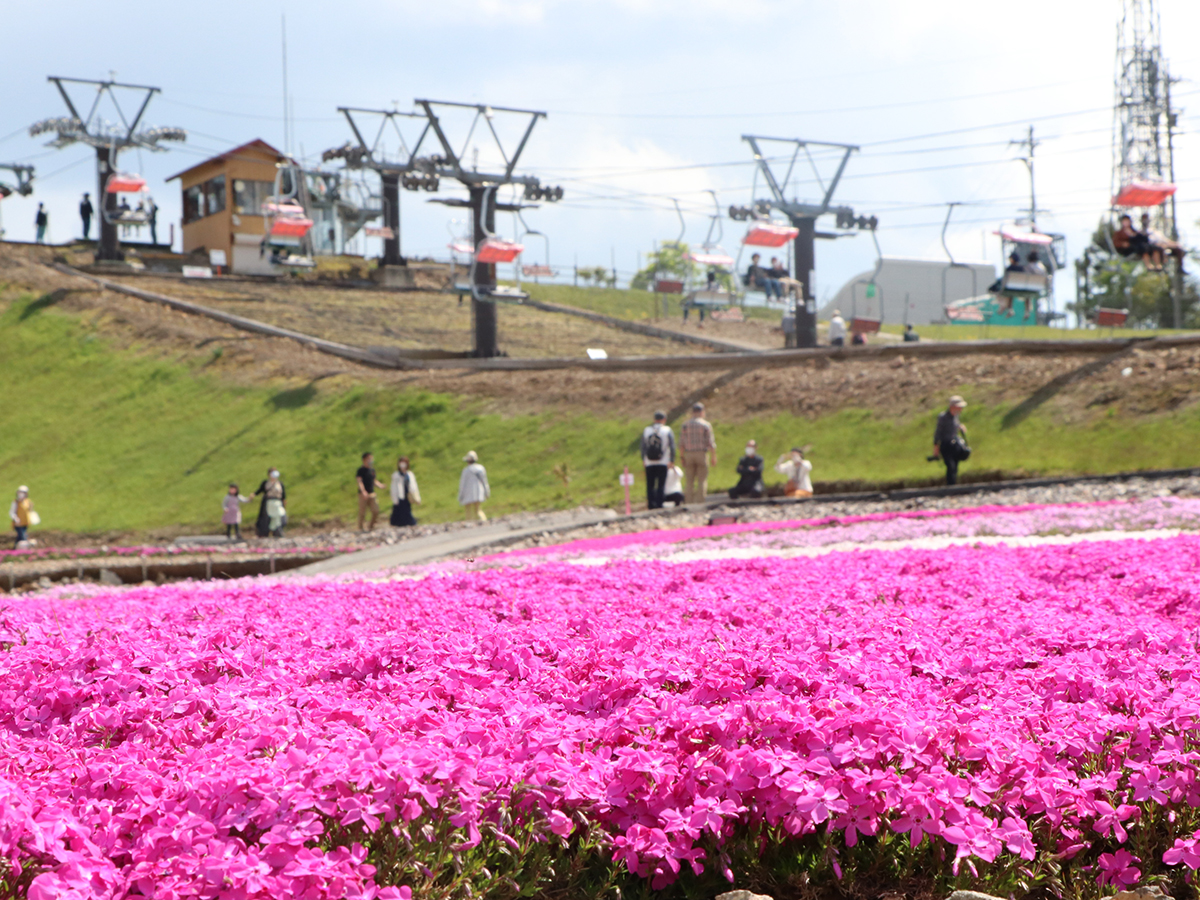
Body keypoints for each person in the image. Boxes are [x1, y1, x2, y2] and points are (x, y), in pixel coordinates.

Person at [679, 402, 717, 504]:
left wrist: (682, 457)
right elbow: (710, 442)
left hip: (689, 454)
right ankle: (700, 502)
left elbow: (681, 442)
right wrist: (713, 456)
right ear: (702, 412)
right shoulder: (705, 425)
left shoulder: (685, 425)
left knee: (689, 480)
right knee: (702, 480)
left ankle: (689, 502)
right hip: (701, 454)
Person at [641, 410, 676, 510]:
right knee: (661, 484)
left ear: (654, 419)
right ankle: (660, 504)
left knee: (650, 485)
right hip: (663, 461)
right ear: (664, 419)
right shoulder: (667, 430)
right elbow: (672, 446)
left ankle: (651, 505)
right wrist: (672, 460)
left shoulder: (647, 430)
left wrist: (643, 459)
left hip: (649, 462)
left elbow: (643, 446)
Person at [932, 395, 970, 486]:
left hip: (954, 445)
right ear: (953, 406)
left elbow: (955, 425)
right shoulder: (943, 417)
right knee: (950, 466)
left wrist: (960, 426)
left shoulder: (955, 416)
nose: (961, 409)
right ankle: (950, 486)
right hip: (946, 445)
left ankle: (953, 485)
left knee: (955, 466)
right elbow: (938, 433)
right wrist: (936, 447)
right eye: (959, 406)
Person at [356, 452, 386, 531]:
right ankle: (361, 527)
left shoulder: (372, 470)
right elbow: (359, 481)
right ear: (364, 460)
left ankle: (371, 525)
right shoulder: (361, 470)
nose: (371, 460)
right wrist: (363, 491)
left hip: (372, 493)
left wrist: (380, 485)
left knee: (376, 510)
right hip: (363, 494)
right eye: (369, 459)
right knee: (362, 512)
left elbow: (374, 481)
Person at [459, 451, 491, 521]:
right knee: (478, 510)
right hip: (478, 492)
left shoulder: (466, 471)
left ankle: (470, 523)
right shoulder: (481, 468)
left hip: (468, 493)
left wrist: (460, 496)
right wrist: (487, 492)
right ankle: (483, 521)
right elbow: (484, 482)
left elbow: (462, 484)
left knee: (468, 511)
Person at [254, 468, 286, 537]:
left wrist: (284, 501)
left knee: (278, 517)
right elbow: (260, 490)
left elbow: (283, 494)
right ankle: (264, 533)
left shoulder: (280, 484)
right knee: (266, 519)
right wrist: (253, 494)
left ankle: (277, 532)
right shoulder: (266, 483)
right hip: (268, 502)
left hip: (277, 502)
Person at [389, 456, 421, 527]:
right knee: (398, 510)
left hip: (407, 495)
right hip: (399, 495)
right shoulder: (396, 475)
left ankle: (409, 523)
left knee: (407, 510)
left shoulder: (409, 474)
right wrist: (394, 498)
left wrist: (417, 498)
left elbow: (414, 486)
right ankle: (399, 524)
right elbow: (393, 487)